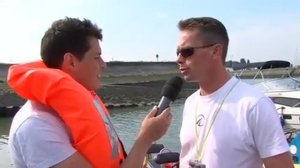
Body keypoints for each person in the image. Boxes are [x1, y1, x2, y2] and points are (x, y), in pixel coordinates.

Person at [7, 17, 172, 168]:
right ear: (71, 61)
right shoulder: (37, 127)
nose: (104, 64)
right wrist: (145, 138)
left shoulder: (87, 100)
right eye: (97, 57)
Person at [176, 17, 294, 168]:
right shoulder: (190, 103)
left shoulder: (255, 105)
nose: (178, 59)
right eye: (178, 51)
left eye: (187, 51)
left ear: (215, 51)